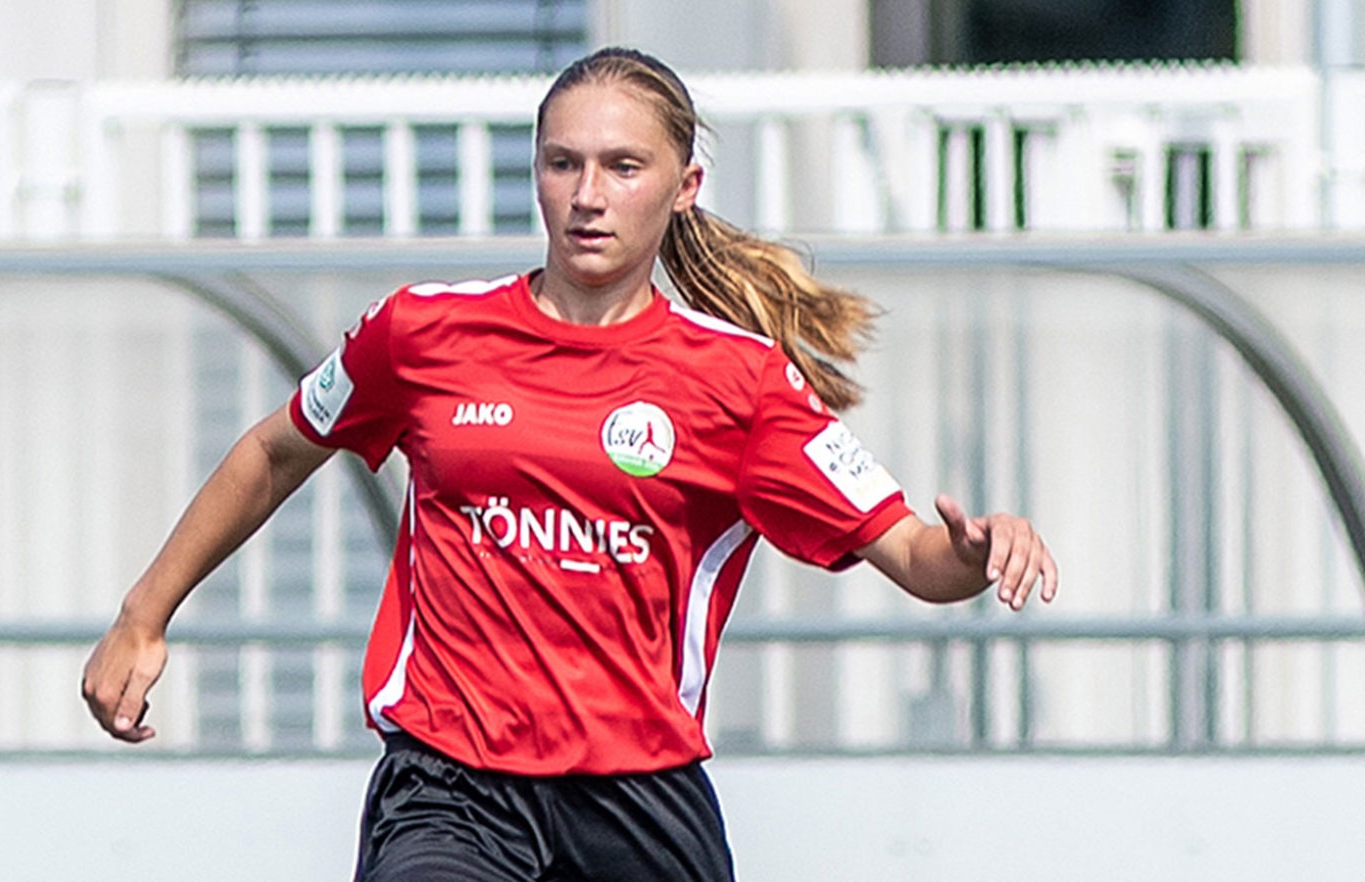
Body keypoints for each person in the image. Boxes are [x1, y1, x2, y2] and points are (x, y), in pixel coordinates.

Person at [82, 46, 1058, 882]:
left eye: (622, 167)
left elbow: (910, 555)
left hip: (637, 804)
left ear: (682, 190)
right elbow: (274, 448)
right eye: (563, 164)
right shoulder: (423, 333)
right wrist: (142, 615)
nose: (587, 196)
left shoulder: (741, 383)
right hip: (449, 790)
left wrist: (976, 552)